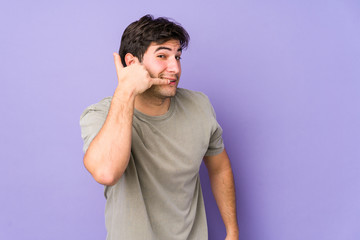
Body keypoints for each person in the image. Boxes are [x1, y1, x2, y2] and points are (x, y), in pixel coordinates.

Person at [80, 14, 239, 240]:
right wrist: (126, 89)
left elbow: (220, 167)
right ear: (133, 63)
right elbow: (106, 172)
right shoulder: (100, 115)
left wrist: (232, 232)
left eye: (178, 57)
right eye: (162, 56)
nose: (174, 67)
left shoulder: (199, 105)